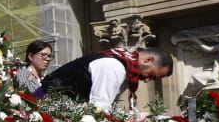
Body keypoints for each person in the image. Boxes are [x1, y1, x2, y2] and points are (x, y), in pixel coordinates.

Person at [37, 46, 172, 111]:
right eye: (152, 75)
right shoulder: (115, 67)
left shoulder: (123, 62)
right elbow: (99, 108)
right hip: (41, 104)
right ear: (148, 60)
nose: (147, 80)